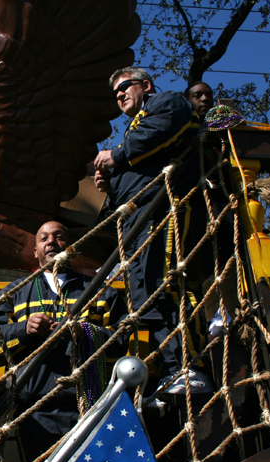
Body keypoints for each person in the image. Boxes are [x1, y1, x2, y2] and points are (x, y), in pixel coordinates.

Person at [92, 66, 207, 386]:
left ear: (146, 84)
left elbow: (164, 131)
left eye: (124, 86)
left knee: (163, 283)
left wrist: (117, 155)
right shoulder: (134, 126)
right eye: (115, 92)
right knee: (144, 294)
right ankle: (173, 369)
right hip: (135, 217)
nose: (119, 94)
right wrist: (110, 182)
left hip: (161, 207)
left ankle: (189, 366)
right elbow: (138, 165)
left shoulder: (167, 102)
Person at [0, 221, 127, 462]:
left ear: (72, 247)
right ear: (35, 251)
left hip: (88, 406)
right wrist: (23, 329)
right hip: (33, 411)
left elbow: (122, 343)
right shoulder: (13, 293)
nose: (51, 242)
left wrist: (83, 332)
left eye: (59, 236)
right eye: (44, 238)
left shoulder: (101, 291)